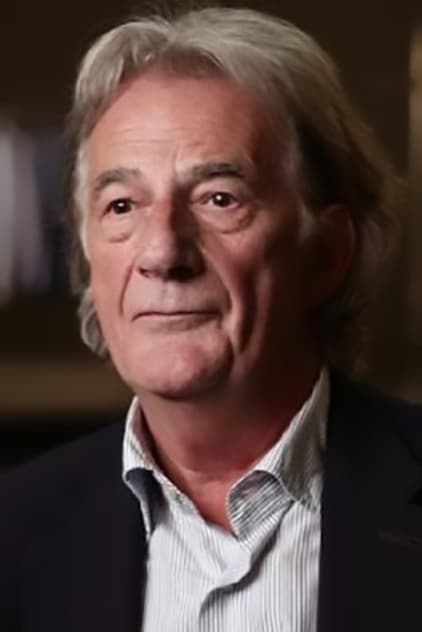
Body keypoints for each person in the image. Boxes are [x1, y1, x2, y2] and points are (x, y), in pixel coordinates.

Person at [1, 7, 421, 632]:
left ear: (327, 253)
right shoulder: (12, 532)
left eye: (219, 199)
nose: (163, 251)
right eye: (122, 205)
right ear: (89, 259)